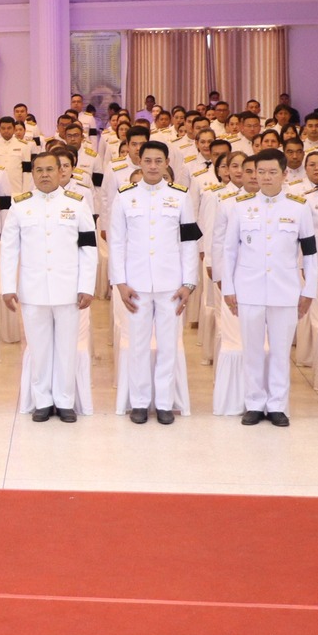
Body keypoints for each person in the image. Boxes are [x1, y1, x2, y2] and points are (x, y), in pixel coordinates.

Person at [219, 149, 318, 426]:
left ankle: (277, 405)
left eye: (272, 172)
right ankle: (254, 403)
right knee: (251, 349)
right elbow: (229, 251)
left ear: (285, 174)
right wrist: (229, 288)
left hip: (285, 290)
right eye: (259, 172)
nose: (264, 177)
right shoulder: (241, 206)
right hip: (248, 288)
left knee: (279, 350)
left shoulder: (299, 207)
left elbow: (310, 253)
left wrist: (308, 289)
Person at [107, 142, 200, 425]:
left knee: (169, 345)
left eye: (158, 161)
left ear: (166, 162)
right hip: (135, 284)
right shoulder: (124, 197)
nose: (152, 166)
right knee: (137, 344)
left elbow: (189, 243)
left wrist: (189, 283)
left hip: (171, 283)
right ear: (139, 161)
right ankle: (138, 402)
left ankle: (163, 403)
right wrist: (120, 282)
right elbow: (117, 243)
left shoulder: (181, 197)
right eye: (147, 161)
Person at [1, 151, 97, 422]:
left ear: (61, 172)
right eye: (38, 170)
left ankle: (65, 400)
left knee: (67, 347)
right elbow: (9, 249)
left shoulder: (77, 204)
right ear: (32, 173)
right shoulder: (20, 205)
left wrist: (87, 285)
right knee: (39, 348)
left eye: (49, 169)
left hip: (68, 289)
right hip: (32, 290)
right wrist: (8, 287)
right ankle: (42, 400)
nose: (44, 174)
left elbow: (88, 248)